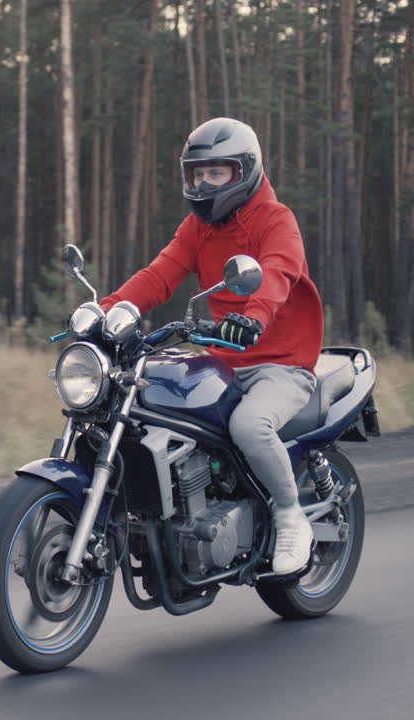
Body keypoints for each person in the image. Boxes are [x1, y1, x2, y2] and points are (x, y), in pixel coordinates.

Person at [99, 117, 323, 576]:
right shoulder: (197, 229)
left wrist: (254, 316)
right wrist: (105, 311)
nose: (203, 183)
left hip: (280, 364)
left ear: (244, 172)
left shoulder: (276, 220)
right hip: (222, 357)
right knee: (148, 399)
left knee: (249, 425)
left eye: (215, 173)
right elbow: (159, 275)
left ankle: (289, 515)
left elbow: (279, 271)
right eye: (196, 173)